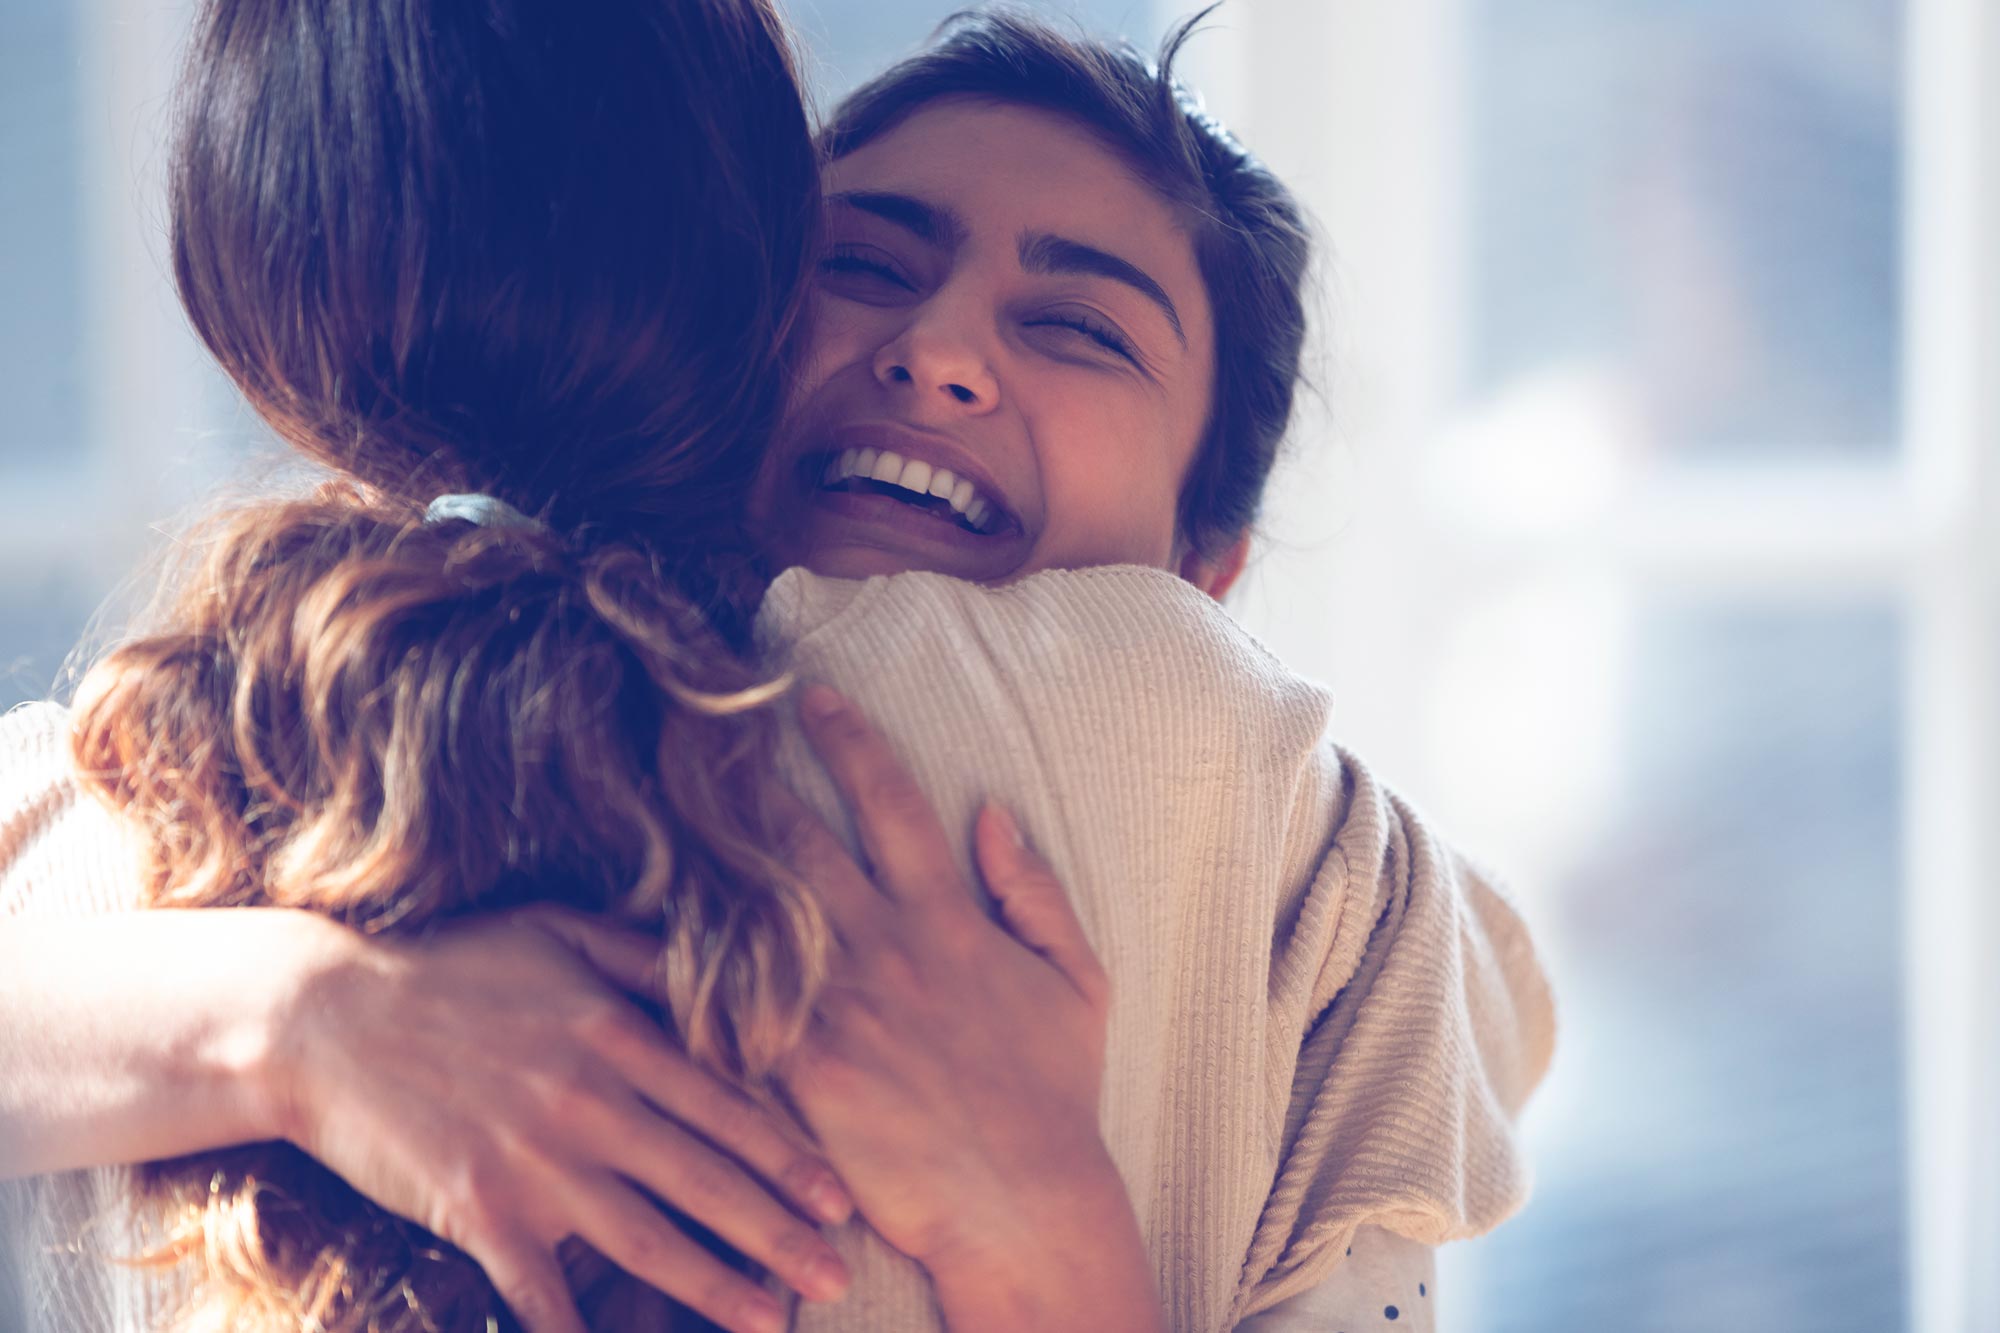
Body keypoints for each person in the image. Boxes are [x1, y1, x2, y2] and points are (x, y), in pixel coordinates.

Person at [0, 6, 1554, 1333]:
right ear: (715, 327)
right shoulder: (230, 725)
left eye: (1078, 324)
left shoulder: (1313, 898)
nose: (940, 348)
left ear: (1209, 564)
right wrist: (300, 1017)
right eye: (866, 265)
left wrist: (1038, 1223)